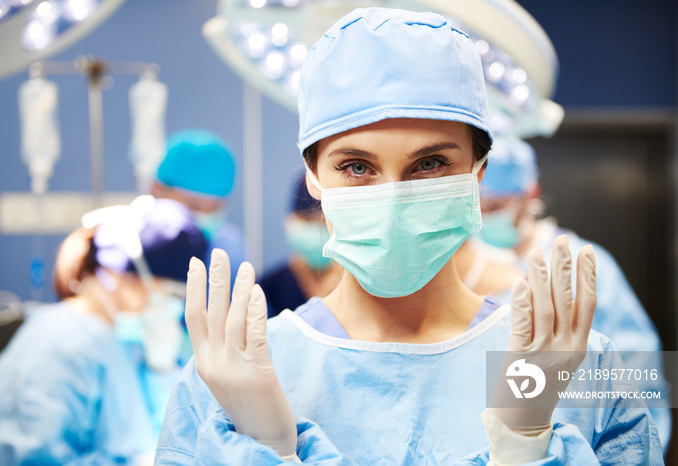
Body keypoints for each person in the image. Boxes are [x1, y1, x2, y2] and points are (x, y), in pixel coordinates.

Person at [155, 8, 663, 464]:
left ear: (478, 173)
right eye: (356, 166)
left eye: (430, 163)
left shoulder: (581, 369)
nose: (393, 198)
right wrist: (263, 447)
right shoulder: (228, 382)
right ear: (312, 177)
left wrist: (527, 442)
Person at [466, 134, 672, 450]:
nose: (484, 215)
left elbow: (640, 380)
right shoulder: (463, 265)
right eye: (476, 206)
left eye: (495, 206)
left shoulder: (585, 265)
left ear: (530, 194)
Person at [0, 196, 208, 465]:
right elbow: (26, 458)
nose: (175, 306)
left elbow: (163, 436)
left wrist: (161, 370)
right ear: (118, 277)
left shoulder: (125, 343)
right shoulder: (57, 345)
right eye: (170, 292)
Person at [151, 129, 247, 282]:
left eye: (214, 208)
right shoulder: (128, 246)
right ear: (157, 190)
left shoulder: (228, 247)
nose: (204, 214)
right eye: (193, 205)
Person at [259, 176, 341, 317]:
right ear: (290, 221)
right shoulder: (268, 288)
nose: (318, 230)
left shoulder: (360, 287)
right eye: (308, 220)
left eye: (324, 222)